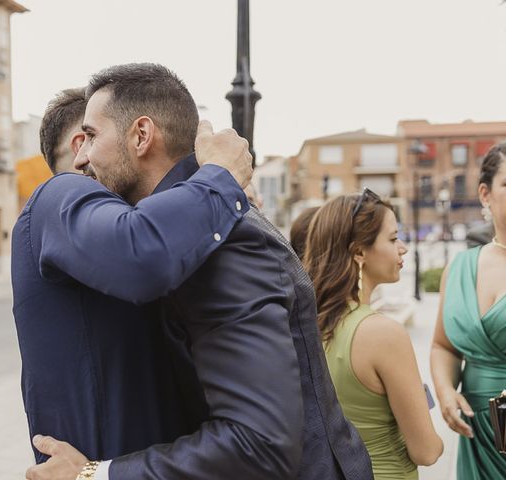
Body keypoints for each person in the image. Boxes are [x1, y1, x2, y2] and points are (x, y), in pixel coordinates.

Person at [26, 63, 372, 480]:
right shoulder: (198, 227)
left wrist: (95, 474)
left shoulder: (224, 241)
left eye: (92, 136)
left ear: (141, 135)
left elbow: (258, 444)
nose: (82, 156)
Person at [13, 79, 255, 469]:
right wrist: (221, 181)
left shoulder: (127, 218)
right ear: (81, 146)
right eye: (94, 133)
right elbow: (142, 254)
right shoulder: (59, 196)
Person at [304, 189, 443, 479]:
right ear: (359, 252)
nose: (402, 247)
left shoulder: (306, 326)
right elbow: (426, 451)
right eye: (393, 239)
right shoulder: (382, 334)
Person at [430, 143, 506, 479]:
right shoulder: (460, 268)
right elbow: (443, 346)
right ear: (485, 194)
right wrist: (446, 392)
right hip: (479, 438)